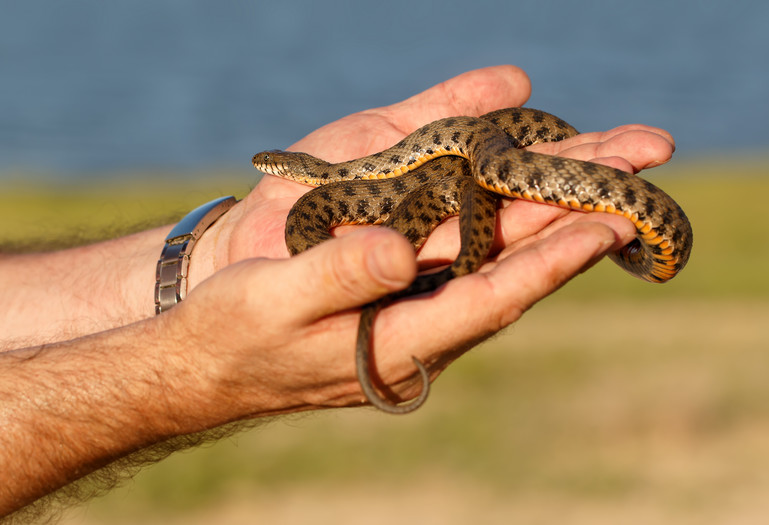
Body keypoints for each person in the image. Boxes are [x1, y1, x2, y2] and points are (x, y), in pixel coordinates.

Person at [0, 65, 675, 519]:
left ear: (296, 172)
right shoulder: (343, 190)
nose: (264, 170)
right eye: (268, 167)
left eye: (271, 166)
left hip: (474, 163)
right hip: (432, 177)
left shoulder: (393, 167)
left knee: (504, 181)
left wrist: (205, 258)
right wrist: (191, 360)